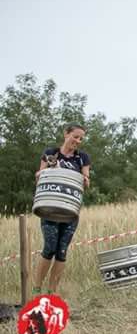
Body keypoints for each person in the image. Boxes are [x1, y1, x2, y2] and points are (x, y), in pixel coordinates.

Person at [32, 124, 91, 295]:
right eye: (76, 136)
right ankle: (36, 289)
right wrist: (38, 175)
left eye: (81, 139)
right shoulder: (51, 153)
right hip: (50, 208)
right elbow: (40, 178)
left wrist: (86, 180)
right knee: (50, 247)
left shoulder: (82, 158)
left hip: (70, 211)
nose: (78, 141)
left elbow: (86, 180)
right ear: (66, 134)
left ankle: (52, 292)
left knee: (62, 250)